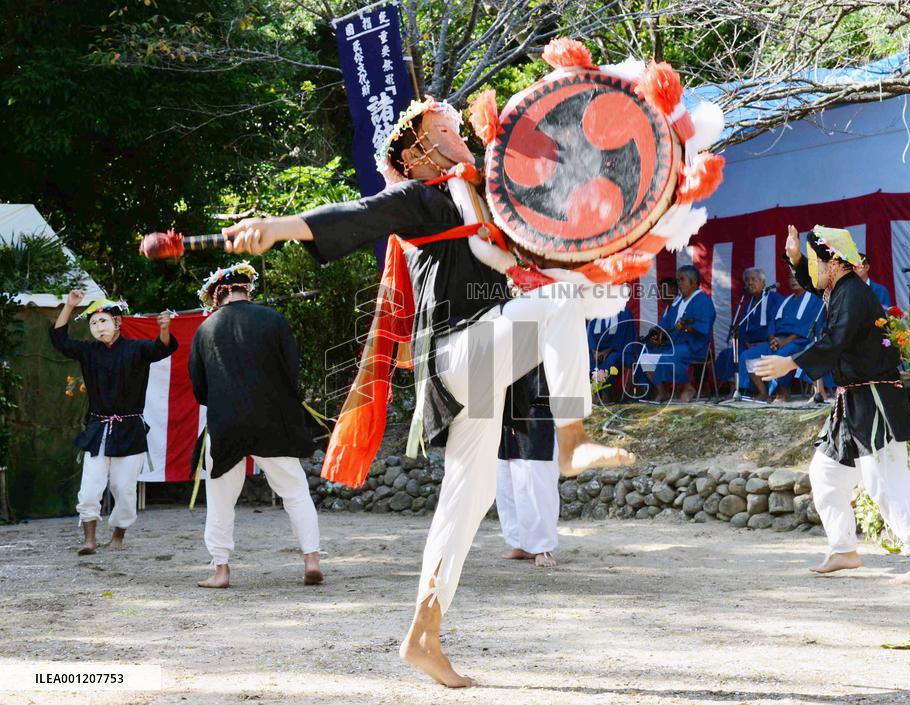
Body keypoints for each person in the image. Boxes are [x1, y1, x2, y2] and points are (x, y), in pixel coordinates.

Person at [220, 98, 634, 687]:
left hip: (479, 364)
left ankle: (424, 633)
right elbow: (352, 213)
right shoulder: (421, 199)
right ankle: (571, 438)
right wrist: (276, 229)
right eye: (443, 128)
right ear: (415, 155)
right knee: (559, 305)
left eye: (455, 126)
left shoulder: (485, 201)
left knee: (470, 497)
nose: (458, 132)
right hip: (458, 353)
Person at [756, 225, 910, 585]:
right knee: (825, 474)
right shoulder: (838, 287)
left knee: (886, 483)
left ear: (833, 262)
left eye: (814, 262)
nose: (811, 273)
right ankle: (844, 549)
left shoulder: (853, 293)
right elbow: (814, 285)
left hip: (875, 399)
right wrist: (795, 257)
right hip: (851, 401)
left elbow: (835, 340)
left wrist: (792, 362)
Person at [188, 263, 323, 589]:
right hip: (271, 420)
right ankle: (311, 561)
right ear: (247, 288)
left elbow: (199, 387)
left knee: (220, 499)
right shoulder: (273, 320)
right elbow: (292, 370)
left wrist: (225, 401)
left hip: (226, 423)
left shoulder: (205, 330)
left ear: (218, 293)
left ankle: (221, 570)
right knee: (295, 491)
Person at [50, 290, 177, 555]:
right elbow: (59, 340)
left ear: (118, 323)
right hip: (98, 429)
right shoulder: (88, 351)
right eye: (94, 324)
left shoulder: (136, 348)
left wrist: (164, 329)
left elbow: (162, 348)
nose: (98, 327)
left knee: (124, 489)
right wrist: (70, 305)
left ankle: (118, 534)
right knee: (89, 489)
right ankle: (90, 540)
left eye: (103, 321)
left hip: (129, 430)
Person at [495, 367, 559, 568]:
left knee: (536, 478)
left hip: (537, 404)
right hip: (505, 405)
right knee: (506, 479)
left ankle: (542, 547)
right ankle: (520, 543)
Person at [636, 265, 716, 403]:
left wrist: (687, 328)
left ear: (694, 281)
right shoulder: (678, 303)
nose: (679, 284)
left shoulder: (702, 300)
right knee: (646, 358)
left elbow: (705, 326)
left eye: (682, 280)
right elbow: (665, 323)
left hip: (695, 346)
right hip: (676, 344)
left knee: (669, 355)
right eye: (678, 280)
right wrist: (654, 334)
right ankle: (662, 391)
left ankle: (688, 387)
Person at [741, 269, 824, 402]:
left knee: (779, 356)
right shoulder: (785, 300)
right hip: (778, 341)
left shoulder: (814, 299)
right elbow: (772, 322)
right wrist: (772, 338)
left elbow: (807, 327)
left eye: (797, 277)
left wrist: (783, 342)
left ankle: (782, 391)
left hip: (800, 341)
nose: (794, 280)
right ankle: (763, 392)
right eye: (791, 278)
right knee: (748, 356)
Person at [715, 267, 781, 394]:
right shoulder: (748, 303)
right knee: (728, 354)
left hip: (768, 343)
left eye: (753, 279)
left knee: (745, 356)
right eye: (747, 280)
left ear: (763, 282)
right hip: (749, 344)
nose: (750, 283)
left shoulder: (774, 299)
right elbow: (742, 326)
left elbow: (776, 323)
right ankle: (734, 389)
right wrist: (747, 343)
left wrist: (765, 341)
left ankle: (748, 389)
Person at [587, 308, 636, 401]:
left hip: (617, 350)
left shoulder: (624, 313)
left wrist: (607, 351)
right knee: (588, 359)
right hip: (597, 351)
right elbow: (590, 335)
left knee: (611, 360)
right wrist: (594, 352)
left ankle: (605, 393)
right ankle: (595, 392)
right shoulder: (595, 312)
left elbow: (621, 337)